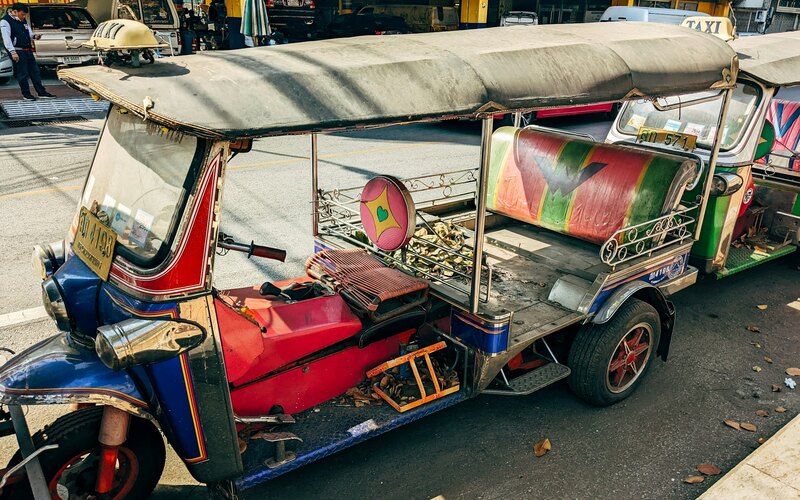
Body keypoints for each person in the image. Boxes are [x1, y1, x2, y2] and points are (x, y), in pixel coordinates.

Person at [1, 3, 55, 101]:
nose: (24, 16)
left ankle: (41, 92)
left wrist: (34, 36)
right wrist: (13, 52)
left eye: (25, 14)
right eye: (22, 14)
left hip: (27, 49)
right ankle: (26, 94)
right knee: (23, 73)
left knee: (35, 71)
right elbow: (6, 38)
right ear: (15, 12)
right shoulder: (5, 21)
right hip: (17, 50)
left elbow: (28, 31)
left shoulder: (23, 20)